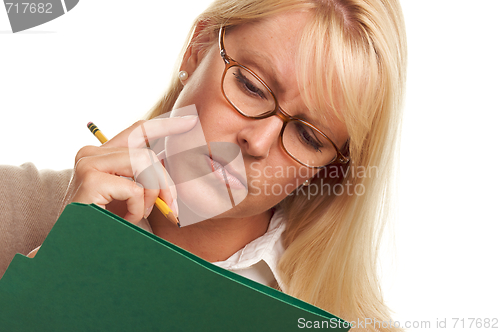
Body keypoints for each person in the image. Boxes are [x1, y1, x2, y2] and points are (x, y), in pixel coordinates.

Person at [0, 0, 407, 331]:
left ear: (327, 170)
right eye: (251, 85)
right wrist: (57, 268)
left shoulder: (352, 326)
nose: (258, 142)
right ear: (198, 49)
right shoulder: (11, 206)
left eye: (309, 137)